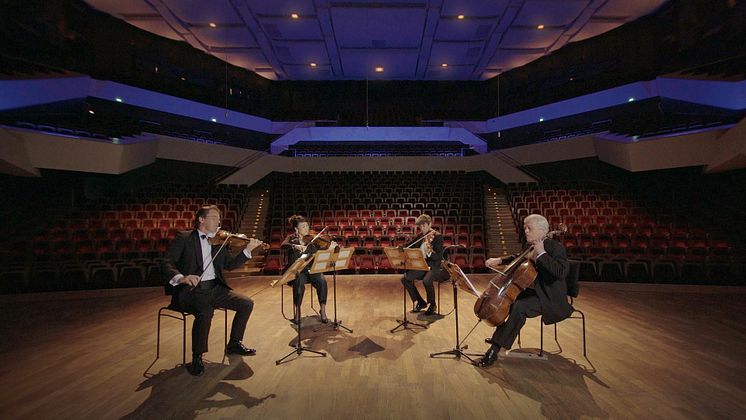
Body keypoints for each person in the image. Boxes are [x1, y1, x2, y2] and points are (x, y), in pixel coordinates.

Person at [162, 205, 263, 376]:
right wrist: (182, 278)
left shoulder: (220, 241)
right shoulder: (185, 237)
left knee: (246, 303)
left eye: (219, 218)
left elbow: (229, 265)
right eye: (214, 217)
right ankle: (197, 357)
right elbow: (166, 263)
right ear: (201, 219)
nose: (219, 221)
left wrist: (246, 251)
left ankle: (234, 343)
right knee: (205, 311)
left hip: (215, 289)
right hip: (190, 291)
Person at [474, 214, 573, 367]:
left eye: (529, 228)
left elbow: (560, 272)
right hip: (534, 293)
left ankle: (494, 350)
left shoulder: (555, 248)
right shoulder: (530, 247)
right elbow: (517, 257)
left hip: (549, 297)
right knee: (510, 302)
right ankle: (501, 338)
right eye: (525, 228)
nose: (526, 231)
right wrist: (499, 260)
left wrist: (542, 254)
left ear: (542, 231)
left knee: (519, 307)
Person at [281, 215, 338, 324]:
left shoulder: (313, 240)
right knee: (298, 283)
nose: (306, 229)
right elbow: (283, 246)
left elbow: (324, 248)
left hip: (311, 270)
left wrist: (331, 248)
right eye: (303, 227)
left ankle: (323, 309)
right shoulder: (291, 238)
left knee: (322, 281)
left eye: (307, 226)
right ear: (296, 229)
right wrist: (296, 246)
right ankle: (297, 311)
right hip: (298, 271)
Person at [400, 214, 449, 316]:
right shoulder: (421, 236)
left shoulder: (437, 236)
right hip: (423, 266)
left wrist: (429, 252)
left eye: (423, 226)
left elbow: (439, 256)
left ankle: (432, 305)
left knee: (427, 280)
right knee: (405, 279)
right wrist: (401, 247)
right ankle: (421, 302)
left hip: (435, 266)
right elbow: (410, 244)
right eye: (420, 227)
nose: (421, 228)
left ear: (429, 224)